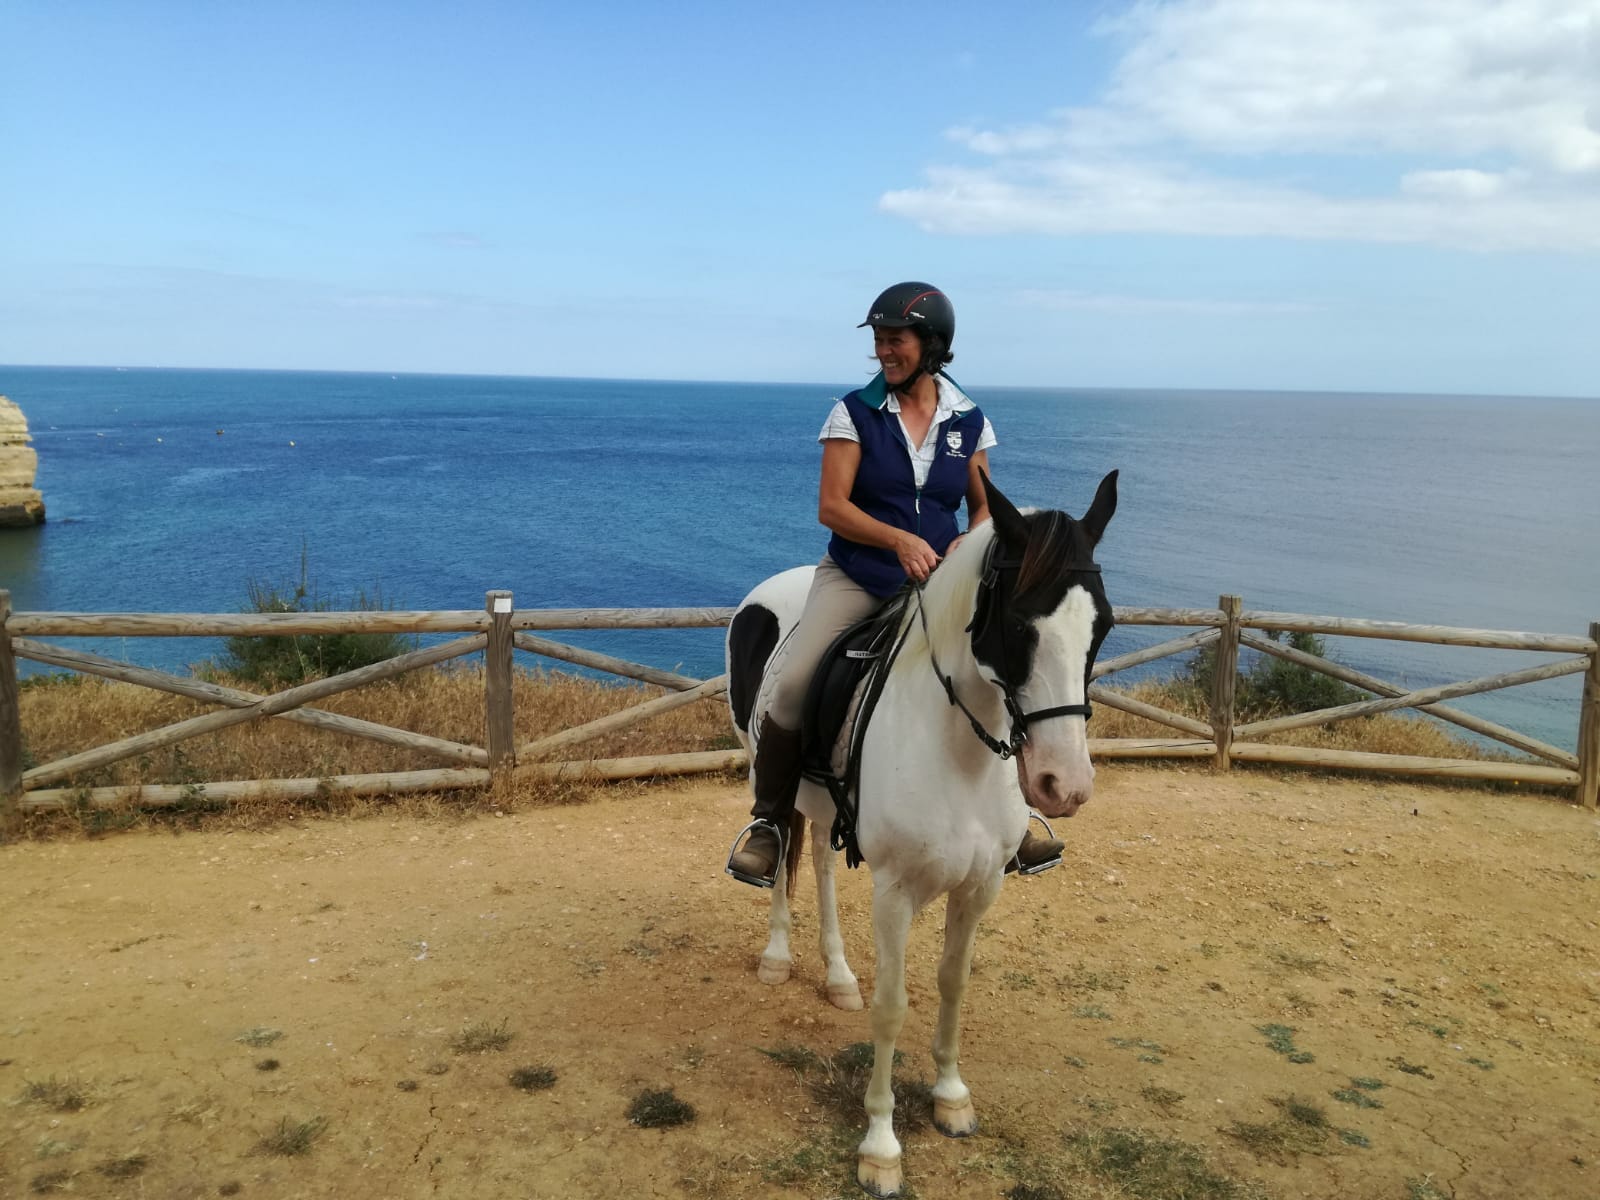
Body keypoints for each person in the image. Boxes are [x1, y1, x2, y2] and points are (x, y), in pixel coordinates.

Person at [726, 281, 1064, 887]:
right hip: (858, 574)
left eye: (896, 339)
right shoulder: (852, 413)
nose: (885, 350)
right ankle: (770, 823)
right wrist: (898, 539)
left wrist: (973, 537)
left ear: (932, 346)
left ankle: (1015, 819)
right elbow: (832, 507)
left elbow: (982, 505)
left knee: (994, 667)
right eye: (879, 340)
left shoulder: (968, 420)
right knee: (796, 683)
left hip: (938, 584)